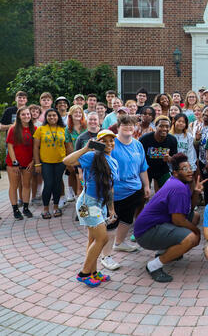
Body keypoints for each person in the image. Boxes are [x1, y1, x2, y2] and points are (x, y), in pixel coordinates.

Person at [134, 153, 203, 282]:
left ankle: (165, 251)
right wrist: (196, 231)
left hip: (155, 226)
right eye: (184, 169)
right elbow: (178, 219)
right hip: (146, 233)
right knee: (191, 238)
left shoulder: (180, 183)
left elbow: (188, 209)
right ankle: (154, 266)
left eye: (190, 168)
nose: (189, 171)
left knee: (195, 217)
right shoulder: (178, 188)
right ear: (176, 173)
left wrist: (197, 192)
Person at [64, 129, 118, 287]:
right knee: (102, 238)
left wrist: (111, 209)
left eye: (111, 140)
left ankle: (93, 272)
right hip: (86, 203)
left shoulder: (112, 161)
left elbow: (110, 188)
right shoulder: (91, 156)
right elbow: (67, 161)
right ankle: (84, 273)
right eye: (105, 141)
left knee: (93, 238)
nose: (109, 144)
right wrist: (86, 148)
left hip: (100, 204)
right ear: (98, 142)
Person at [100, 115, 151, 271]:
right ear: (118, 127)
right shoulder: (111, 144)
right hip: (115, 192)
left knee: (127, 220)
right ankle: (106, 257)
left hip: (134, 190)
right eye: (125, 125)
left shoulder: (137, 145)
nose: (129, 128)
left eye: (131, 125)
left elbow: (143, 167)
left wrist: (147, 185)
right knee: (111, 224)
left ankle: (120, 243)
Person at [33, 108, 72, 218]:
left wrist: (69, 162)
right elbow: (35, 147)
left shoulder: (64, 129)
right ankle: (45, 209)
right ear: (46, 117)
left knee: (57, 184)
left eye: (54, 115)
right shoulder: (40, 129)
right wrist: (37, 163)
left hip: (61, 161)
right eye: (49, 115)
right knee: (48, 184)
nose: (52, 117)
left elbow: (68, 146)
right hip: (46, 162)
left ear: (58, 117)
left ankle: (56, 207)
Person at [6, 107, 36, 220]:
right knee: (14, 186)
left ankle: (26, 208)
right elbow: (10, 146)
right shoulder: (13, 129)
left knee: (27, 185)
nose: (26, 116)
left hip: (28, 163)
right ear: (19, 116)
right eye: (23, 114)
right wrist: (14, 162)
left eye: (28, 114)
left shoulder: (35, 129)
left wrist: (33, 161)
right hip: (14, 163)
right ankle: (15, 209)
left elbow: (36, 148)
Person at [140, 116, 178, 190]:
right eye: (161, 126)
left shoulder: (172, 140)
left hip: (162, 169)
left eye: (167, 126)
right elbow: (139, 158)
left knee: (165, 192)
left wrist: (169, 159)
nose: (164, 129)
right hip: (147, 169)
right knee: (143, 194)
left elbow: (174, 159)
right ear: (155, 126)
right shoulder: (145, 139)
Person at [66, 105, 87, 200]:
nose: (78, 114)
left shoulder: (86, 126)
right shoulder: (68, 129)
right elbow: (69, 146)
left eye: (80, 112)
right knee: (79, 185)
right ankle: (80, 210)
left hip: (87, 158)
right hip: (77, 159)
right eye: (75, 112)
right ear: (71, 114)